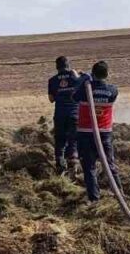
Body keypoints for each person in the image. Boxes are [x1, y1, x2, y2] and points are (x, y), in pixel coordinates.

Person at [75, 60, 120, 201]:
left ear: (93, 73)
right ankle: (120, 194)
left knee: (89, 167)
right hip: (105, 133)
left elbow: (74, 97)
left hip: (86, 133)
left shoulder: (85, 88)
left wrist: (85, 80)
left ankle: (94, 199)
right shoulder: (113, 90)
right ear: (107, 74)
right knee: (109, 165)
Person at [47, 55, 80, 174]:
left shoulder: (52, 80)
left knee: (60, 140)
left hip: (60, 114)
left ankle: (60, 165)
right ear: (68, 65)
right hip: (74, 114)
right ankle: (73, 166)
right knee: (73, 140)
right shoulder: (76, 78)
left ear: (57, 67)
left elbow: (51, 99)